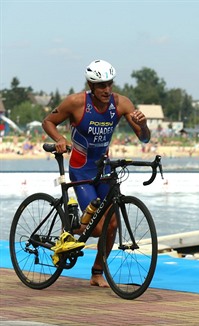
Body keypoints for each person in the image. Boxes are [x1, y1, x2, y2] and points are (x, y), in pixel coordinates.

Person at [43, 59, 151, 288]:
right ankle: (70, 226)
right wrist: (60, 139)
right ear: (91, 85)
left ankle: (97, 272)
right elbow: (48, 122)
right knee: (98, 227)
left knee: (112, 225)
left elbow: (144, 138)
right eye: (101, 85)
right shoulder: (75, 102)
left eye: (109, 84)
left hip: (104, 169)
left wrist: (144, 125)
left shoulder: (121, 103)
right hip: (81, 169)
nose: (107, 90)